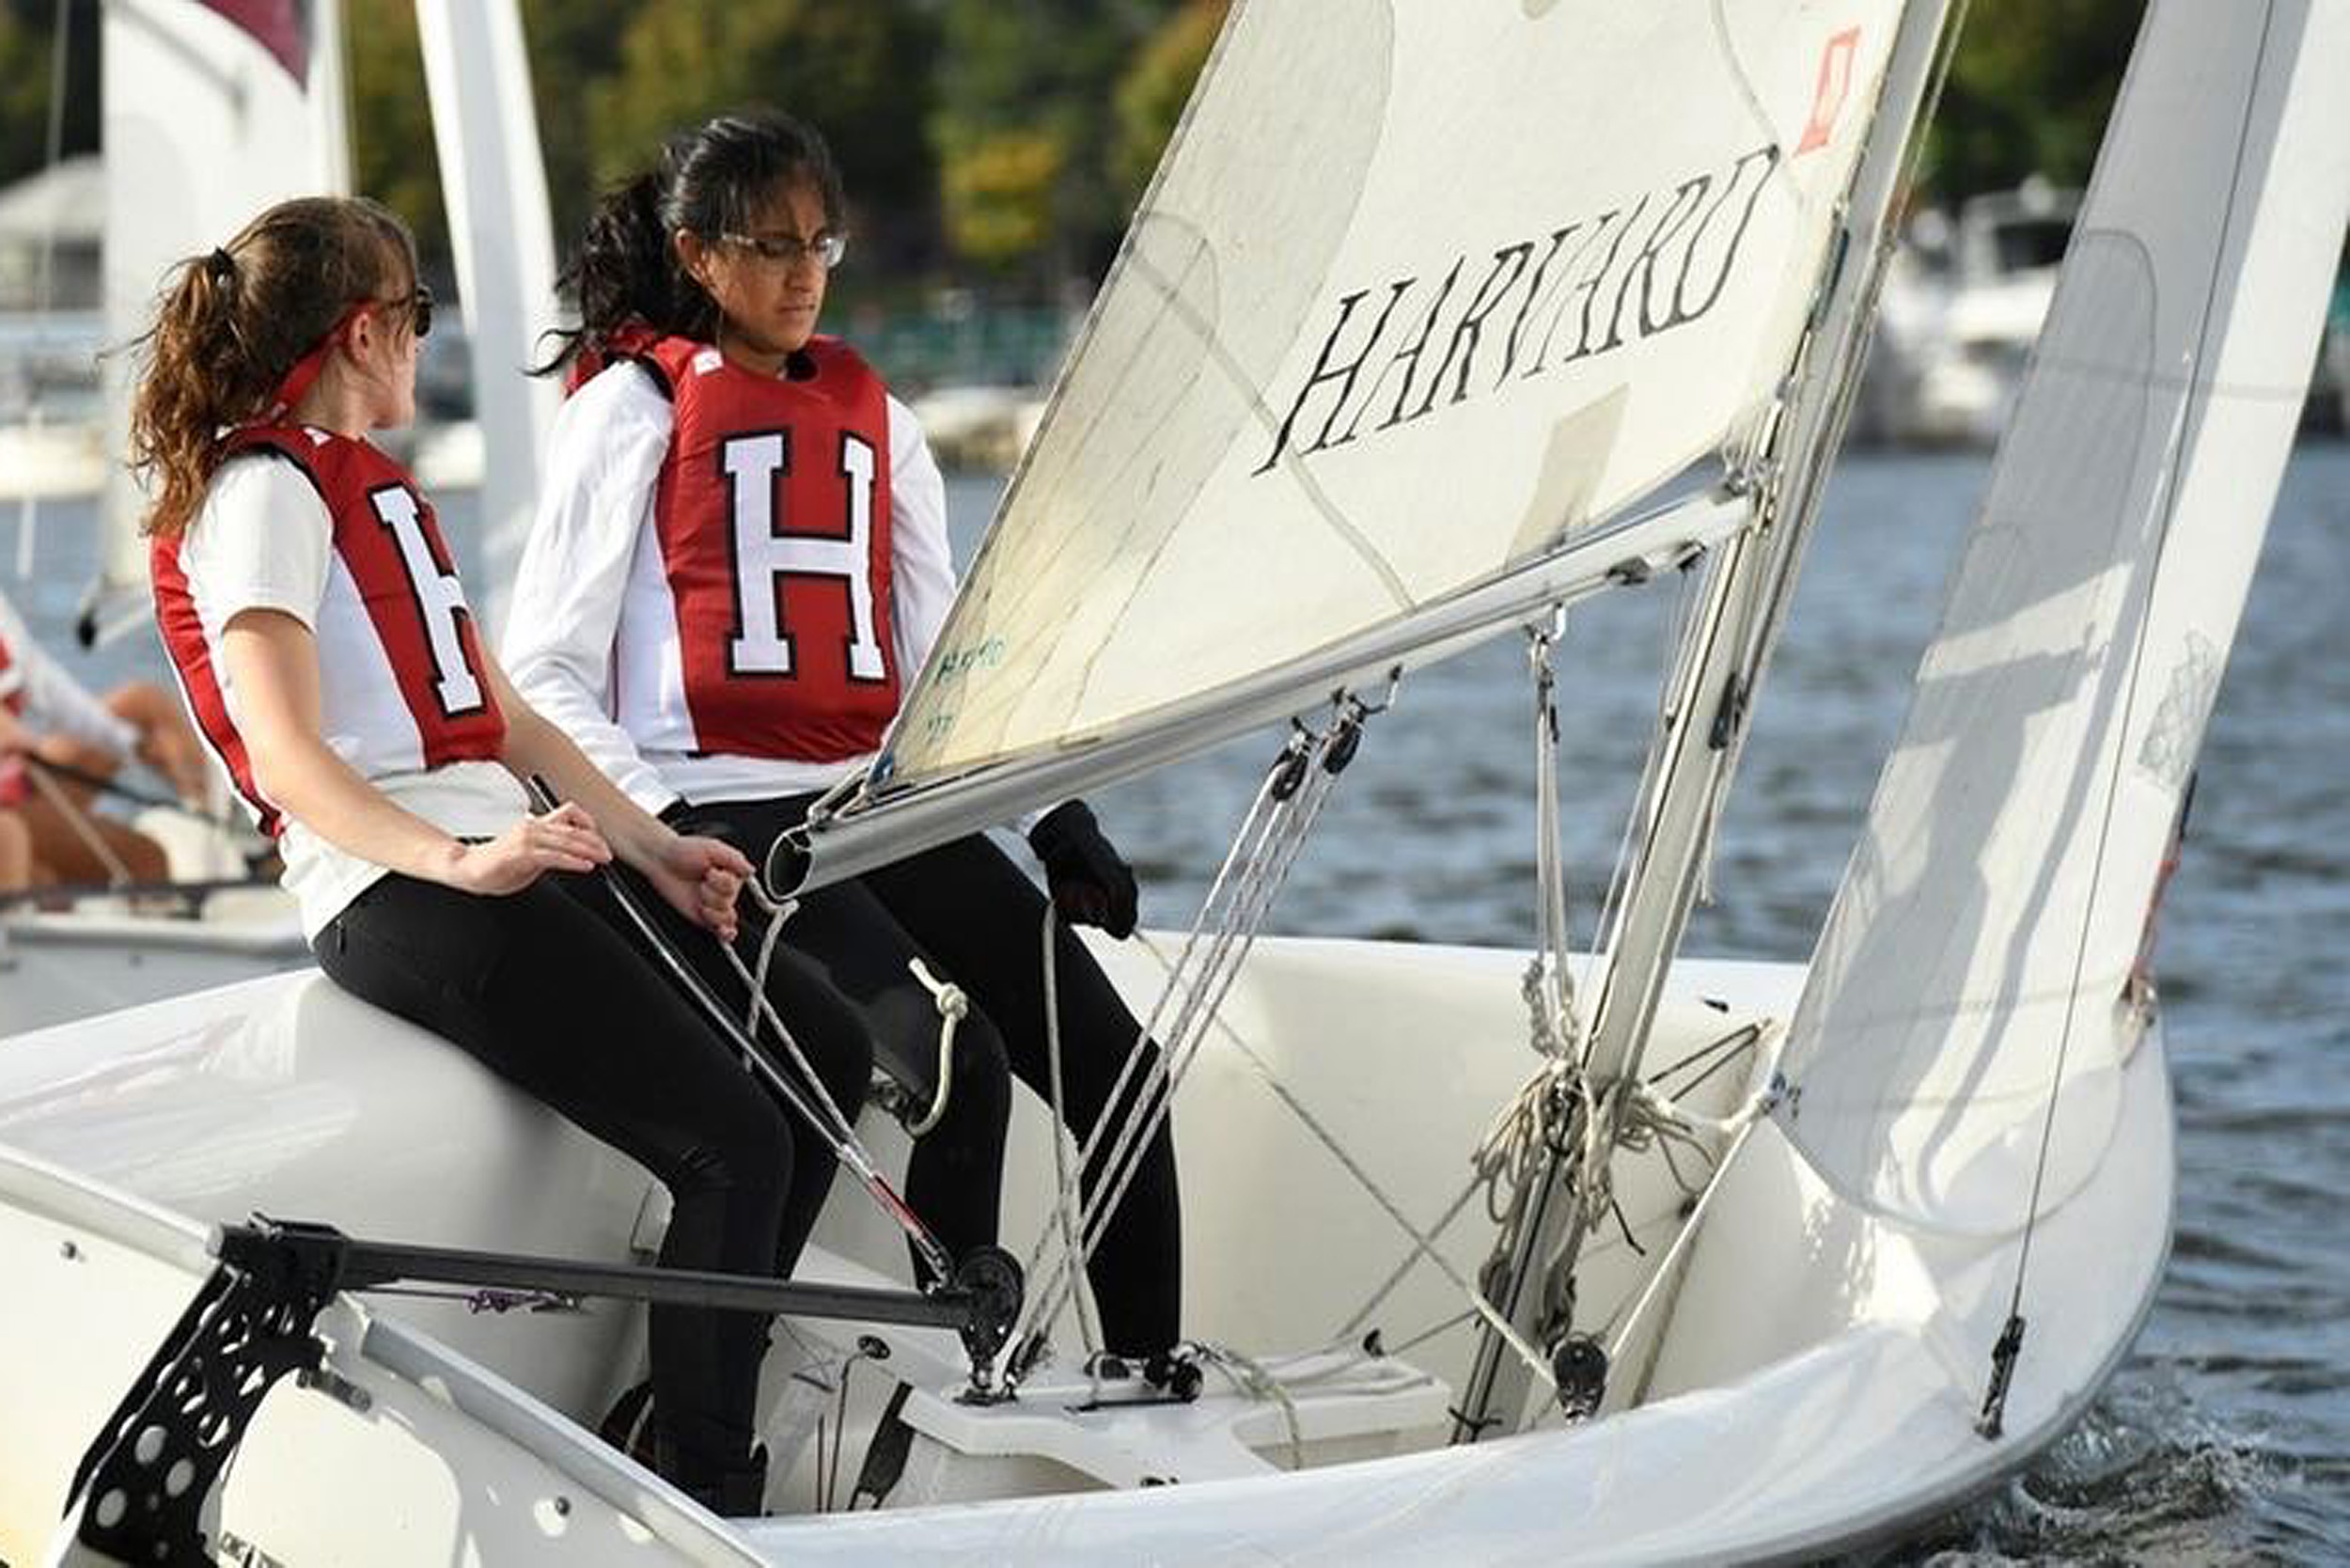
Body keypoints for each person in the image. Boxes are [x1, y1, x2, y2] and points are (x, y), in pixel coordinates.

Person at [132, 193, 869, 1509]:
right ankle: (703, 1491)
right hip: (402, 887)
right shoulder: (262, 496)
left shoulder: (373, 488)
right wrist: (456, 860)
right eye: (415, 317)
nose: (423, 343)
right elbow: (292, 760)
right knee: (736, 1147)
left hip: (514, 848)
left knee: (827, 1050)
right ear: (366, 332)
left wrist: (656, 849)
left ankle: (673, 1401)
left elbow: (508, 717)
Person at [507, 110, 1183, 1365]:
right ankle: (949, 1371)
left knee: (1122, 1070)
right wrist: (662, 824)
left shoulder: (884, 421)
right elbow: (542, 664)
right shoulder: (632, 412)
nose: (805, 273)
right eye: (772, 248)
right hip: (728, 823)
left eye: (823, 245)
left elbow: (946, 666)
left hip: (880, 810)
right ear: (700, 257)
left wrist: (1055, 820)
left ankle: (1148, 1373)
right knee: (958, 1052)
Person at [0, 584, 212, 890]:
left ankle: (215, 825)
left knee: (144, 702)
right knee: (148, 859)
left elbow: (48, 688)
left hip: (22, 781)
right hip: (10, 808)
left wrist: (130, 744)